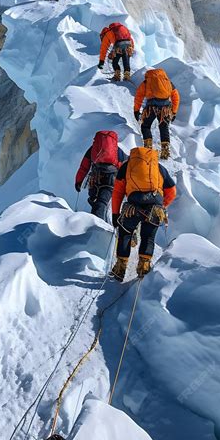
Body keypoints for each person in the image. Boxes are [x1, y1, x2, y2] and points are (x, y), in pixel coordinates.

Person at [109, 145, 176, 281]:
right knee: (148, 237)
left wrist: (115, 214)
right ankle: (143, 268)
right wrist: (162, 205)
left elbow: (117, 192)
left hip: (132, 207)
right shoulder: (159, 168)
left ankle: (120, 269)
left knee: (125, 234)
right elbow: (172, 191)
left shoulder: (126, 167)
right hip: (155, 208)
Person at [75, 130, 126, 221]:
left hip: (95, 178)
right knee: (102, 202)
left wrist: (78, 182)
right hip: (111, 179)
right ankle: (98, 225)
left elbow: (84, 167)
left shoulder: (93, 148)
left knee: (96, 201)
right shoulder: (118, 150)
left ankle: (95, 224)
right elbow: (124, 167)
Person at [133, 68, 180, 160]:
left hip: (151, 107)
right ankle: (165, 150)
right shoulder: (168, 82)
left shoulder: (146, 82)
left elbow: (139, 96)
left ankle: (148, 147)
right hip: (165, 108)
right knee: (164, 127)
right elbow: (176, 96)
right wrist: (174, 112)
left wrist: (136, 110)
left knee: (145, 126)